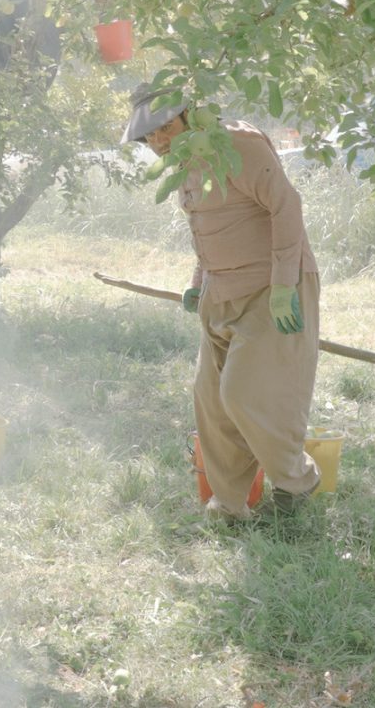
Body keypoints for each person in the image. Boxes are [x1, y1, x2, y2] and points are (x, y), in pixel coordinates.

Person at [123, 83, 321, 520]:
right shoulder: (184, 166)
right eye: (148, 136)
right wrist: (197, 281)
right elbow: (211, 226)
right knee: (211, 402)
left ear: (192, 115)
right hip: (220, 293)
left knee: (248, 394)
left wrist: (286, 284)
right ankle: (229, 506)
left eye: (165, 127)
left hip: (272, 292)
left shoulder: (238, 144)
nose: (157, 142)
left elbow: (286, 207)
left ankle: (296, 490)